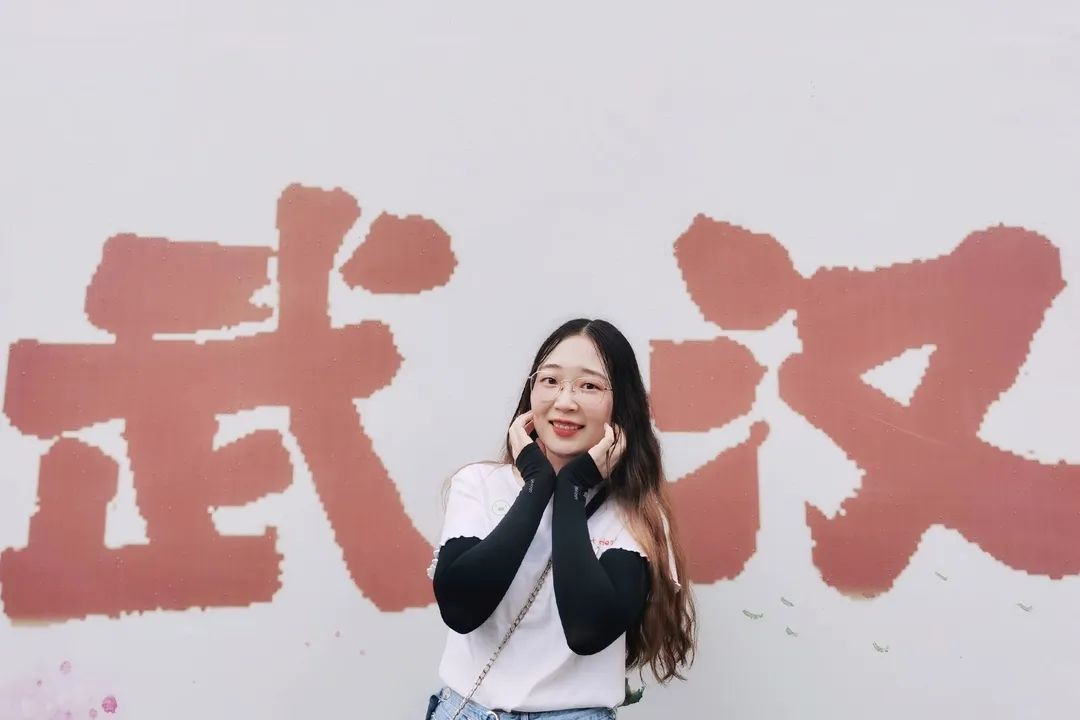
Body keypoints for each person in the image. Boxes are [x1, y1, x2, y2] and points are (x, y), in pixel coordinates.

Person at [424, 319, 696, 720]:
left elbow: (587, 630)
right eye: (550, 380)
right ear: (531, 392)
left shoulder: (636, 514)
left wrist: (572, 487)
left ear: (622, 405)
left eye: (589, 386)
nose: (565, 401)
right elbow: (461, 609)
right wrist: (537, 482)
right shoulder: (479, 485)